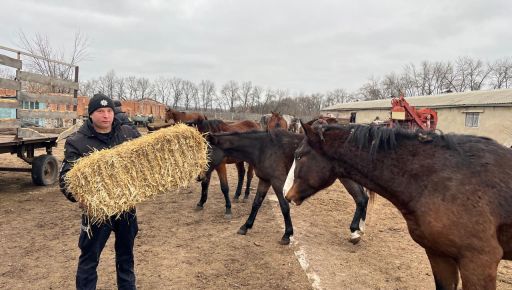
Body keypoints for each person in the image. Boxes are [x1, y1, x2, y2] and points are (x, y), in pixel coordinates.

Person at [59, 93, 141, 290]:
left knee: (126, 257)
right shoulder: (77, 141)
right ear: (91, 115)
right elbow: (66, 179)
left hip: (126, 208)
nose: (106, 116)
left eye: (109, 111)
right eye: (100, 111)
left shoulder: (128, 134)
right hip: (97, 213)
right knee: (89, 259)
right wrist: (78, 196)